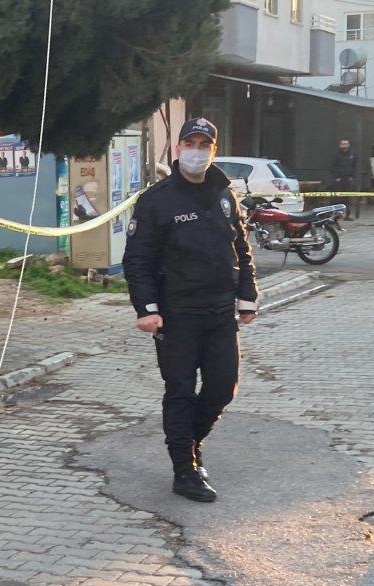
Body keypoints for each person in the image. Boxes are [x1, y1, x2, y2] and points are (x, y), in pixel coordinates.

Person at [122, 117, 258, 503]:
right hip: (176, 314)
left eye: (205, 145)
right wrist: (146, 309)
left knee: (222, 386)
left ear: (213, 151)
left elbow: (241, 249)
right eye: (191, 143)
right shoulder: (157, 200)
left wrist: (247, 295)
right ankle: (184, 469)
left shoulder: (223, 193)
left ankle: (189, 445)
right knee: (180, 391)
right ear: (178, 149)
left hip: (219, 313)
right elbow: (138, 260)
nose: (198, 151)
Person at [332, 138, 358, 220]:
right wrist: (337, 177)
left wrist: (352, 176)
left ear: (349, 144)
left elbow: (355, 166)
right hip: (339, 180)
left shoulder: (353, 154)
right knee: (337, 198)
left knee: (348, 198)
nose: (344, 146)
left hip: (348, 179)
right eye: (343, 144)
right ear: (340, 145)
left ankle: (347, 215)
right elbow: (333, 166)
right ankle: (336, 215)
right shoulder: (336, 154)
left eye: (346, 144)